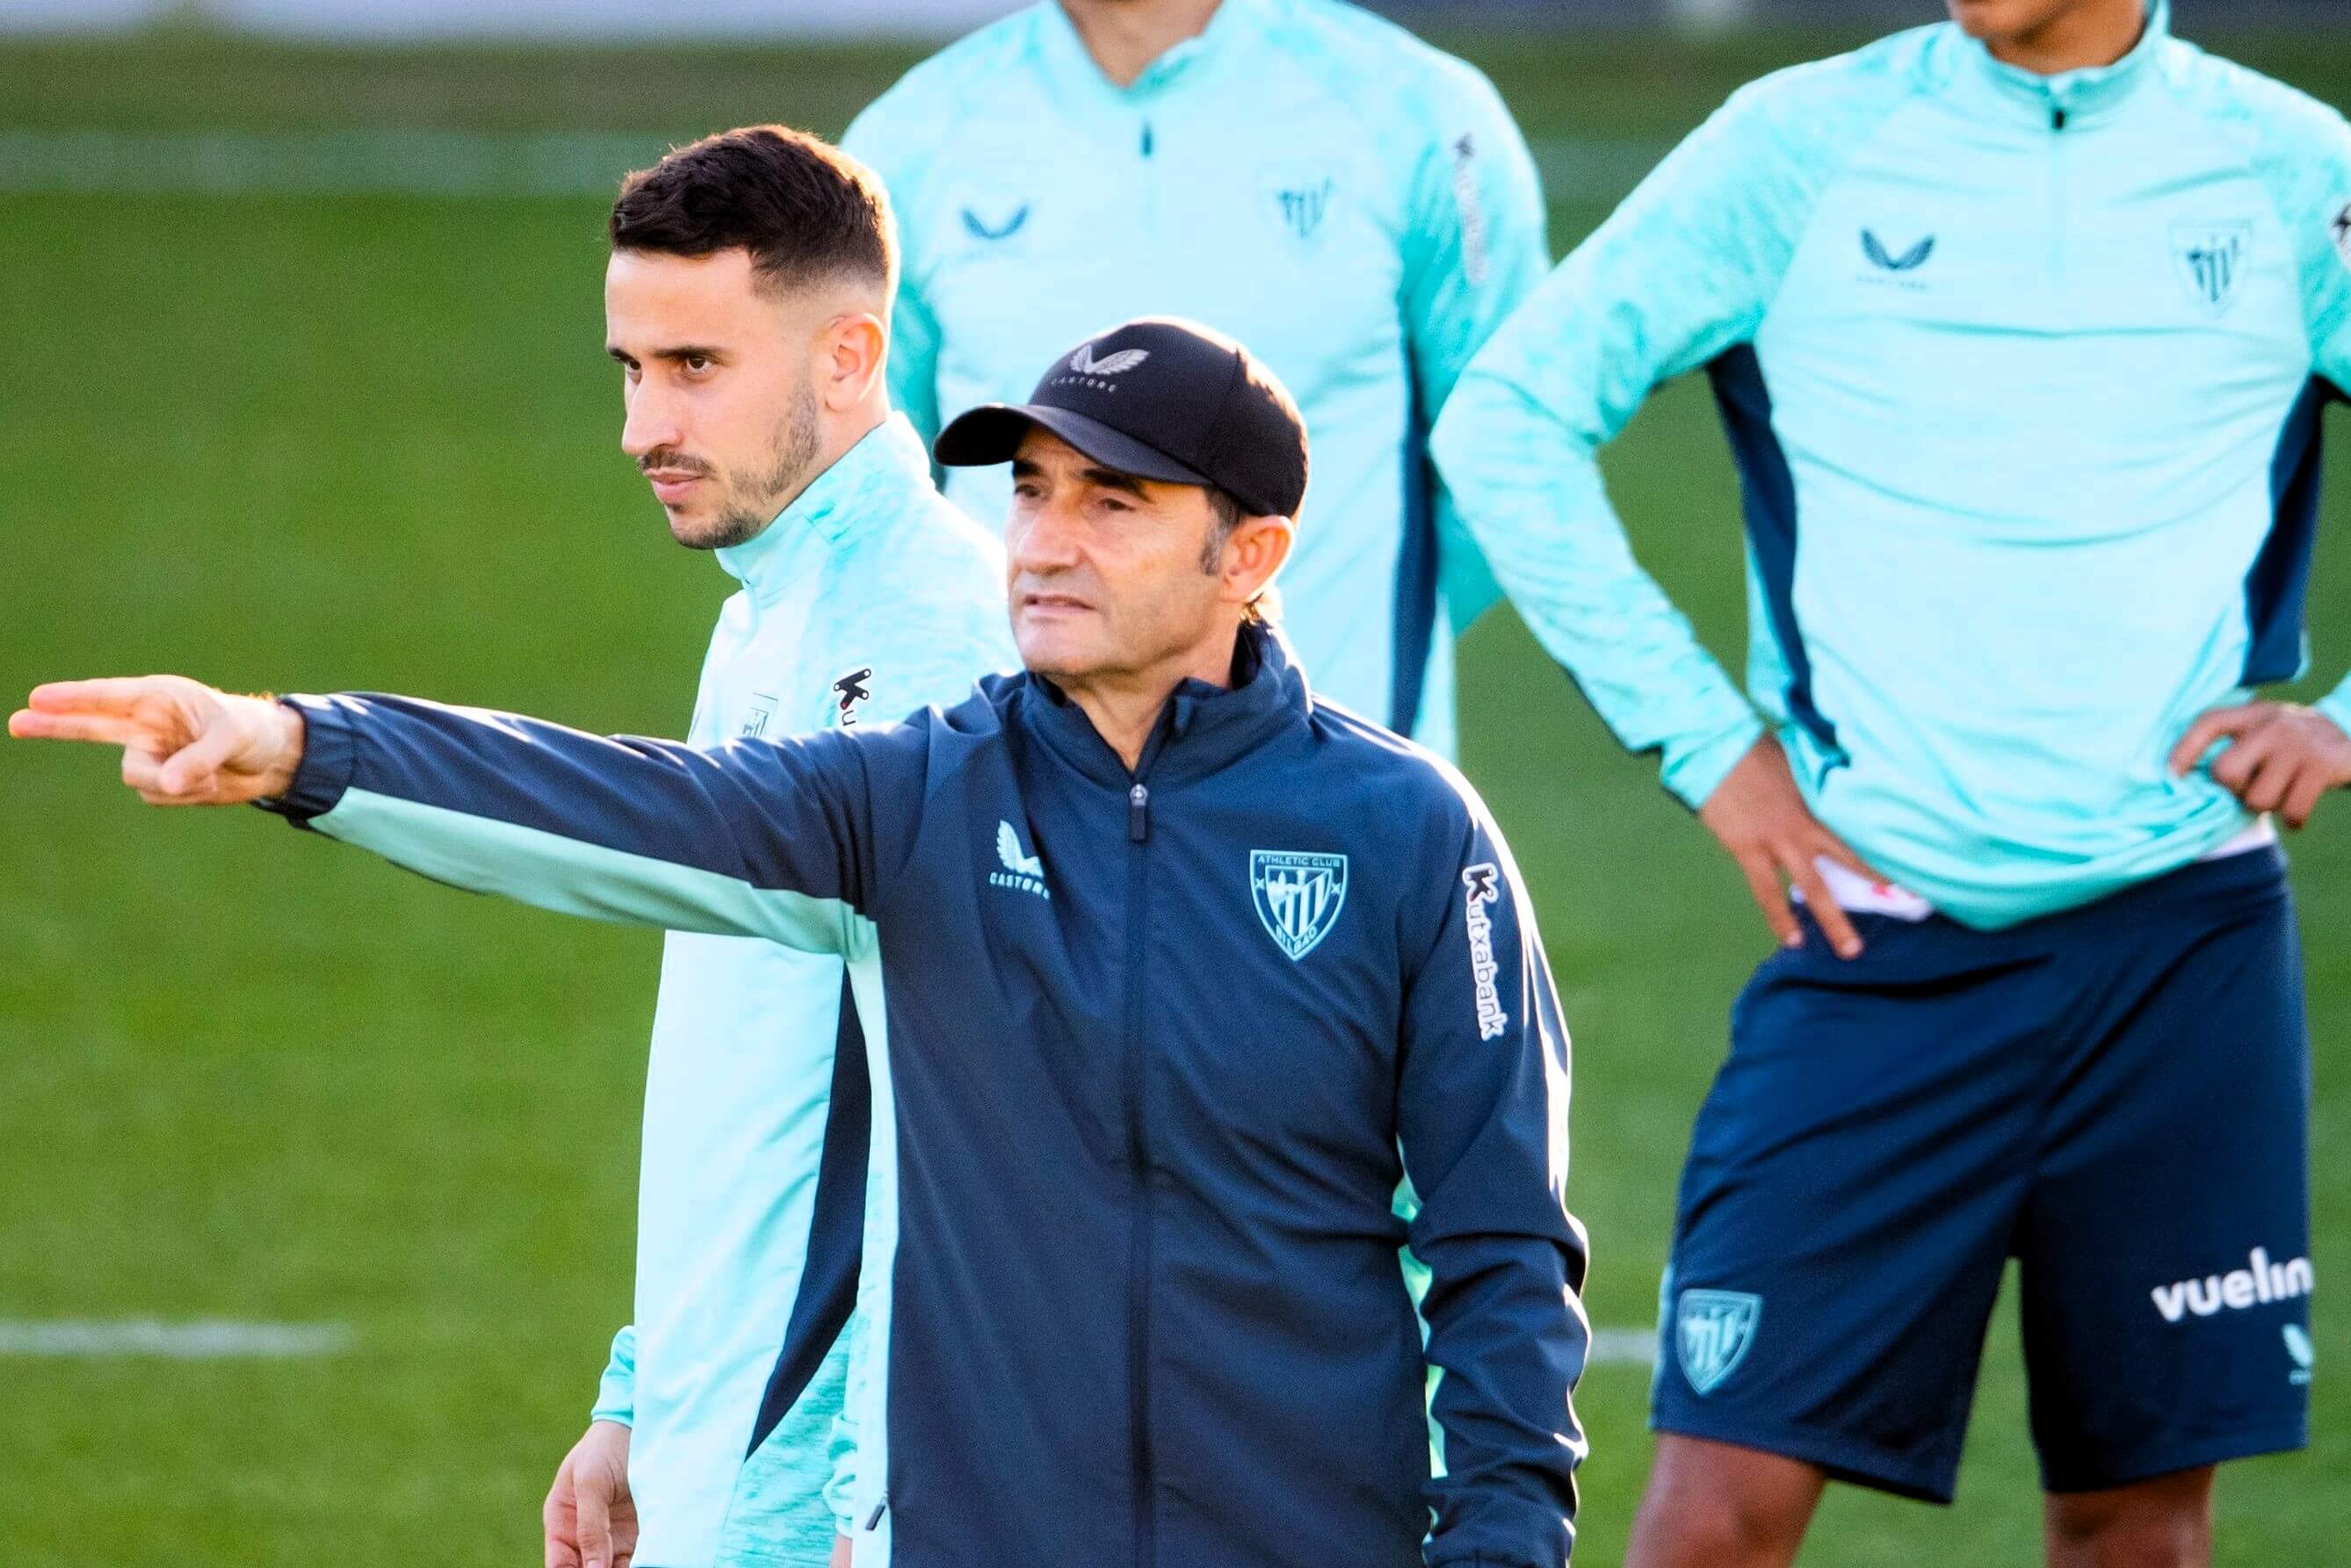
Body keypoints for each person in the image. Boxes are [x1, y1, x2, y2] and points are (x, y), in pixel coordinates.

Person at [13, 317, 1588, 1568]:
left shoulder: (1407, 837)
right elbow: (633, 806)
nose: (1043, 541)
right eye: (1030, 488)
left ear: (1248, 557)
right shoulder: (923, 792)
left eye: (1115, 502)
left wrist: (1505, 1545)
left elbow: (1502, 1246)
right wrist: (299, 746)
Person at [1431, 0, 2347, 1563]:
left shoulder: (2286, 167)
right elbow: (1509, 418)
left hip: (2183, 949)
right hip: (1877, 948)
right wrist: (1713, 748)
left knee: (2138, 1529)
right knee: (1714, 1515)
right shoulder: (1799, 146)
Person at [535, 125, 1014, 1568]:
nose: (642, 428)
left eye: (694, 368)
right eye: (632, 369)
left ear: (847, 357)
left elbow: (969, 1107)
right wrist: (645, 1386)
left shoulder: (924, 640)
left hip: (822, 1463)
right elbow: (759, 1064)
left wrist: (871, 1486)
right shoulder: (769, 610)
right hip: (726, 1414)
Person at [841, 0, 1549, 758]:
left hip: (1334, 810)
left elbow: (1508, 460)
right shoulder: (908, 142)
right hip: (1006, 803)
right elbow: (871, 491)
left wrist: (1332, 650)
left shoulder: (1424, 116)